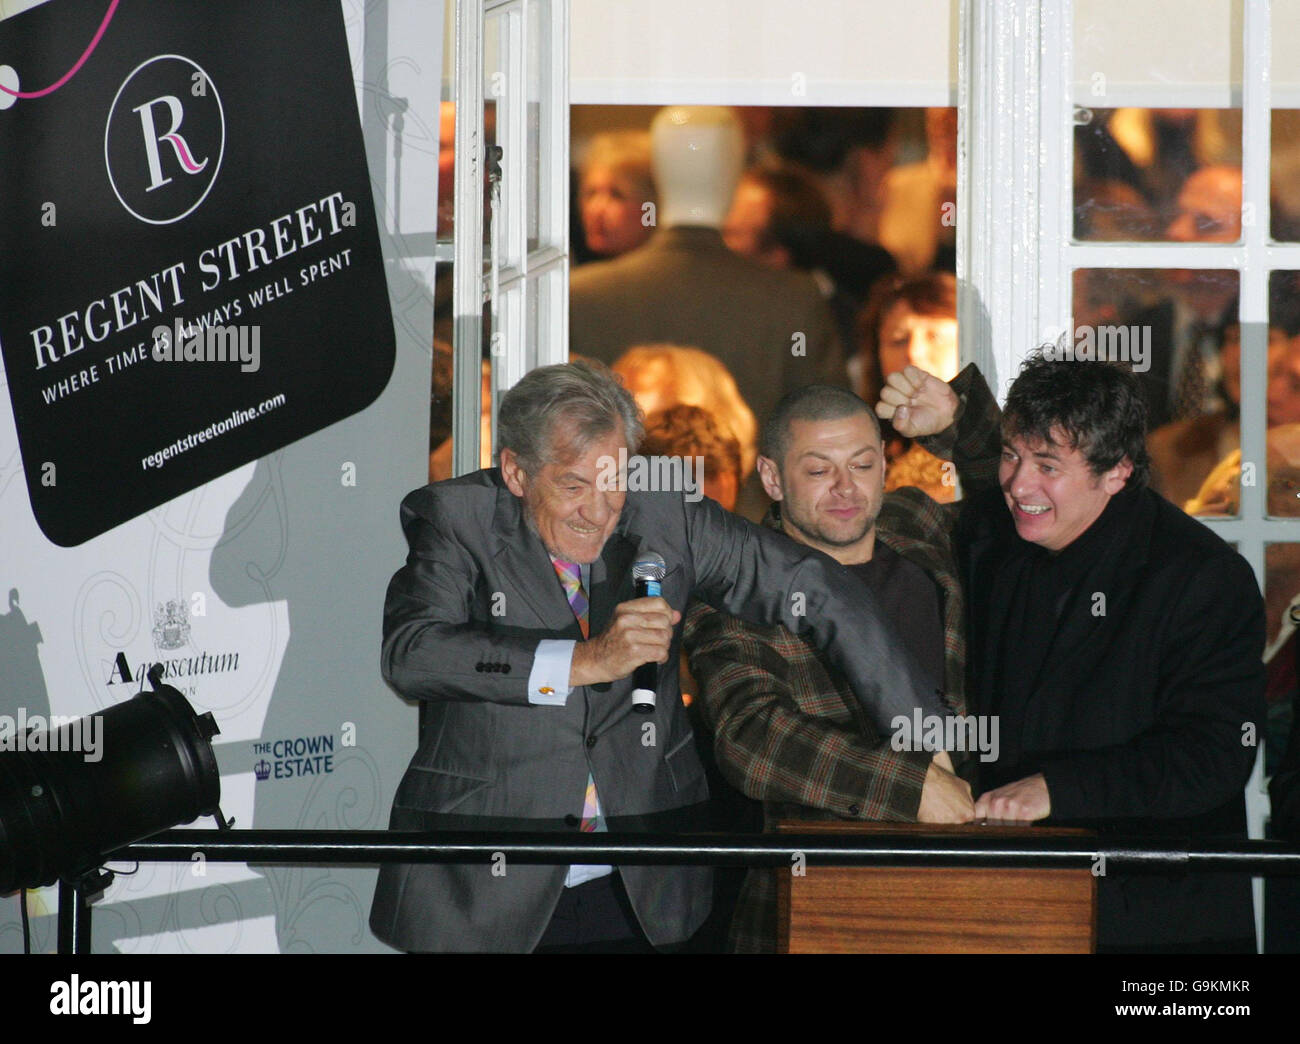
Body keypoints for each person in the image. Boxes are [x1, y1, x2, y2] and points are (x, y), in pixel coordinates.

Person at [370, 361, 947, 953]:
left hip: (642, 882)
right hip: (486, 884)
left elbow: (817, 586)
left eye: (614, 480)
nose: (600, 511)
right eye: (573, 486)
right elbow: (414, 653)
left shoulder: (666, 513)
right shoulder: (457, 518)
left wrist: (926, 740)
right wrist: (586, 661)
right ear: (516, 471)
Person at [891, 350, 1266, 952]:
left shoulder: (1202, 577)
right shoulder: (1000, 531)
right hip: (1010, 908)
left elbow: (1213, 757)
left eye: (1047, 465)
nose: (1019, 484)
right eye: (1012, 455)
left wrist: (1055, 789)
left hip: (1155, 923)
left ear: (1117, 471)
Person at [683, 371, 1003, 952]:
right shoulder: (736, 590)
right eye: (818, 471)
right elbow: (751, 738)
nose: (845, 488)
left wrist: (958, 424)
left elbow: (1015, 505)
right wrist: (911, 788)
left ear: (883, 464)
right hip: (821, 900)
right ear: (772, 478)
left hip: (969, 890)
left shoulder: (917, 522)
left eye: (861, 465)